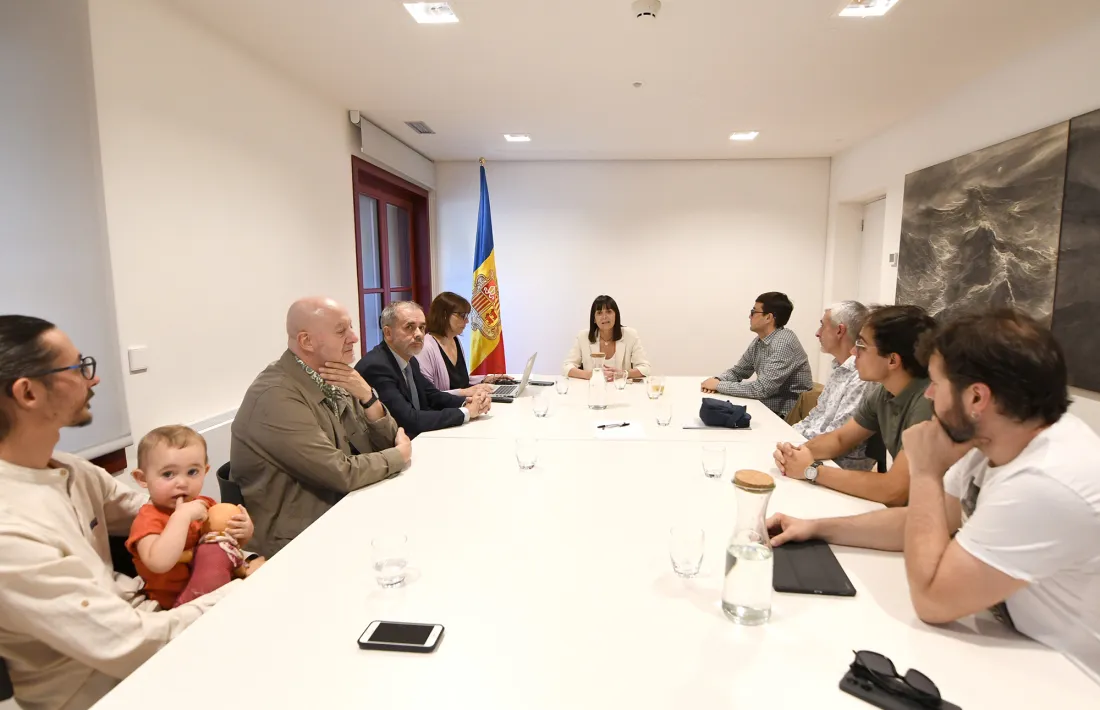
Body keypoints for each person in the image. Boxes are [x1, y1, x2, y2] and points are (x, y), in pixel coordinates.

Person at [768, 309, 1100, 682]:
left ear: (977, 398)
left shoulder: (1046, 480)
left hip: (1069, 678)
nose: (928, 393)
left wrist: (925, 472)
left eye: (937, 384)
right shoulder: (990, 440)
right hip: (1015, 649)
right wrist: (816, 527)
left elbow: (932, 601)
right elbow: (921, 520)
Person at [0, 315, 235, 710]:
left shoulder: (71, 469)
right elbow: (131, 644)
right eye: (78, 368)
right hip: (100, 692)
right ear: (28, 393)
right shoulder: (11, 530)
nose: (93, 380)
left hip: (152, 636)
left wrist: (218, 529)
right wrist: (236, 593)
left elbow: (157, 513)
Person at [231, 297, 411, 558]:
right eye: (342, 331)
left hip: (341, 514)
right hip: (297, 543)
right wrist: (400, 455)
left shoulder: (335, 375)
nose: (354, 338)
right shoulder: (275, 395)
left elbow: (384, 443)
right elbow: (341, 472)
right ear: (306, 342)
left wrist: (368, 397)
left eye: (351, 328)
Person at [774, 305, 936, 506]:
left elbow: (895, 490)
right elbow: (840, 438)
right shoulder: (883, 392)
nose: (853, 351)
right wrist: (795, 453)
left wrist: (812, 470)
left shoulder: (928, 403)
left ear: (892, 360)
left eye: (861, 344)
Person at [127, 426, 260, 610]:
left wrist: (244, 531)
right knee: (213, 553)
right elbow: (158, 563)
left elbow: (227, 544)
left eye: (192, 472)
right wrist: (181, 518)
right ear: (142, 479)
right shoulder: (148, 519)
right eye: (168, 474)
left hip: (220, 590)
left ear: (205, 471)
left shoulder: (204, 505)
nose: (182, 483)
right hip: (178, 605)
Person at [357, 301, 491, 439]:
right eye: (409, 327)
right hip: (391, 448)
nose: (419, 334)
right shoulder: (377, 367)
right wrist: (465, 412)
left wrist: (469, 401)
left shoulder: (410, 358)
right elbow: (408, 420)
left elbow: (432, 395)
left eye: (421, 327)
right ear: (388, 333)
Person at [792, 301, 875, 471]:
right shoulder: (839, 368)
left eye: (822, 325)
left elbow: (836, 437)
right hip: (813, 452)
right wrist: (786, 438)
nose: (817, 333)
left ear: (839, 330)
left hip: (835, 466)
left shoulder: (862, 376)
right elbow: (816, 417)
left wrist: (795, 447)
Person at [701, 292, 812, 418]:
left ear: (768, 317)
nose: (750, 316)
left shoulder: (783, 343)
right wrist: (718, 380)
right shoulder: (760, 341)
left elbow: (761, 389)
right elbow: (738, 371)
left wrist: (718, 386)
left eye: (754, 312)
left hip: (785, 417)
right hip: (767, 408)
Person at [416, 291, 505, 396]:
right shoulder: (426, 347)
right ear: (444, 315)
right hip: (446, 410)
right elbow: (429, 395)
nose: (467, 321)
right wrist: (466, 392)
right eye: (462, 315)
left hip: (465, 404)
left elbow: (460, 382)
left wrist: (486, 379)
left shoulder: (455, 340)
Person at [563, 295, 651, 380]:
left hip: (621, 389)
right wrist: (590, 374)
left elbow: (645, 368)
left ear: (616, 315)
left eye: (609, 312)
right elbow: (566, 367)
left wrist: (624, 373)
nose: (604, 317)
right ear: (594, 318)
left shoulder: (630, 335)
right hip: (592, 390)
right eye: (599, 313)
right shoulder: (583, 337)